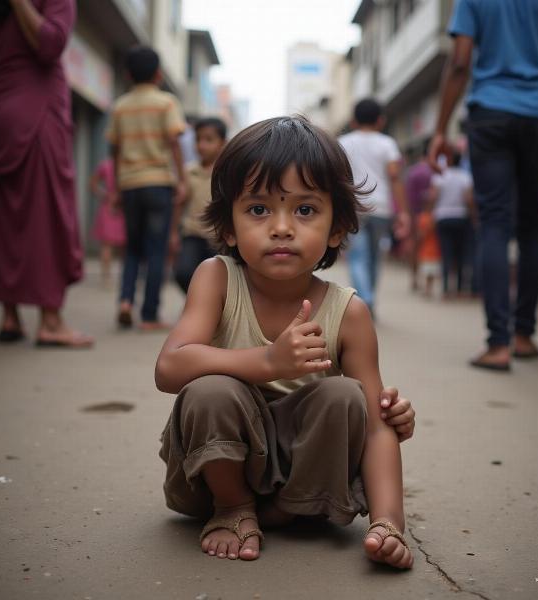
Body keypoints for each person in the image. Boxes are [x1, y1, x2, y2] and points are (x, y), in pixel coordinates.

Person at [155, 116, 416, 568]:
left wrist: (388, 521)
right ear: (230, 227)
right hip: (213, 476)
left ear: (337, 229)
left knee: (349, 396)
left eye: (305, 209)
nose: (281, 227)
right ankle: (235, 507)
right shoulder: (217, 279)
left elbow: (376, 428)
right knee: (211, 388)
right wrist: (268, 362)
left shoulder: (347, 312)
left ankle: (286, 509)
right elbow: (169, 368)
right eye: (258, 209)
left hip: (306, 484)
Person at [428, 0, 538, 371]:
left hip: (491, 113)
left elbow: (460, 61)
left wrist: (440, 130)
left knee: (494, 223)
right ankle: (524, 336)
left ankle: (497, 344)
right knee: (533, 226)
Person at [0, 0, 93, 348]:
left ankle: (10, 318)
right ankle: (51, 321)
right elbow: (50, 45)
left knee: (5, 223)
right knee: (48, 215)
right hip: (37, 112)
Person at [107, 45, 188, 330]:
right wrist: (182, 180)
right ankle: (150, 315)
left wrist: (116, 188)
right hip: (158, 184)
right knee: (156, 250)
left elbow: (114, 150)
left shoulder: (120, 106)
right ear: (158, 74)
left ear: (127, 75)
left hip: (129, 185)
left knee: (132, 249)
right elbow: (174, 142)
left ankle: (125, 301)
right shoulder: (166, 103)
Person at [338, 99, 410, 318]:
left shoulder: (342, 142)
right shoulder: (387, 144)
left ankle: (364, 298)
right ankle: (369, 300)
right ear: (381, 121)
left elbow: (338, 177)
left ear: (353, 121)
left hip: (354, 207)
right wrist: (403, 211)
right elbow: (395, 177)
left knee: (358, 257)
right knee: (375, 256)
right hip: (381, 208)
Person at [174, 117, 227, 293]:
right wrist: (173, 233)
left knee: (218, 280)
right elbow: (180, 203)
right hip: (192, 233)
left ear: (222, 143)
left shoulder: (227, 172)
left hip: (218, 238)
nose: (202, 145)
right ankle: (197, 303)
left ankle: (211, 311)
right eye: (198, 139)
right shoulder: (188, 171)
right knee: (183, 272)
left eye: (209, 139)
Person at [429, 150, 474, 298]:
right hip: (461, 217)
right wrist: (473, 215)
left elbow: (434, 197)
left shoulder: (440, 177)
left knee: (446, 253)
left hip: (443, 217)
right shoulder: (465, 177)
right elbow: (468, 199)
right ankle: (460, 288)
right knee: (461, 253)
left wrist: (431, 213)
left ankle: (447, 289)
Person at [90, 157, 125, 285]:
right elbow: (92, 183)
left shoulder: (106, 165)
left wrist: (104, 195)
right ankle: (119, 276)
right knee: (112, 245)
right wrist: (105, 195)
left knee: (108, 245)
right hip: (119, 206)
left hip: (113, 206)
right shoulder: (124, 164)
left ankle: (107, 277)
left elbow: (92, 184)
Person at [405, 141, 433, 290]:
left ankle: (415, 278)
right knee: (431, 248)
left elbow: (408, 197)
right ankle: (428, 282)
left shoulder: (413, 172)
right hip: (431, 216)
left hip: (415, 215)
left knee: (415, 247)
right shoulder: (435, 172)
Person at [416, 195, 441, 298]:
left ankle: (428, 289)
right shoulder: (423, 217)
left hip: (434, 249)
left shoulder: (435, 217)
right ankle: (427, 289)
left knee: (431, 271)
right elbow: (420, 233)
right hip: (426, 249)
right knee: (426, 271)